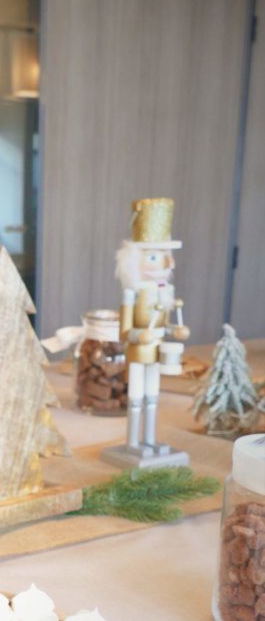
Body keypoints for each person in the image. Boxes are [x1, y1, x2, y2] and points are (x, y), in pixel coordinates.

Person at [102, 198, 190, 467]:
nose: (163, 265)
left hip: (157, 354)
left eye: (163, 258)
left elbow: (163, 324)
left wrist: (176, 330)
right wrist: (141, 336)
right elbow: (125, 329)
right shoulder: (132, 294)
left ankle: (149, 439)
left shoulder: (164, 292)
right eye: (153, 257)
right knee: (136, 397)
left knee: (153, 397)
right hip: (139, 352)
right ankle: (132, 443)